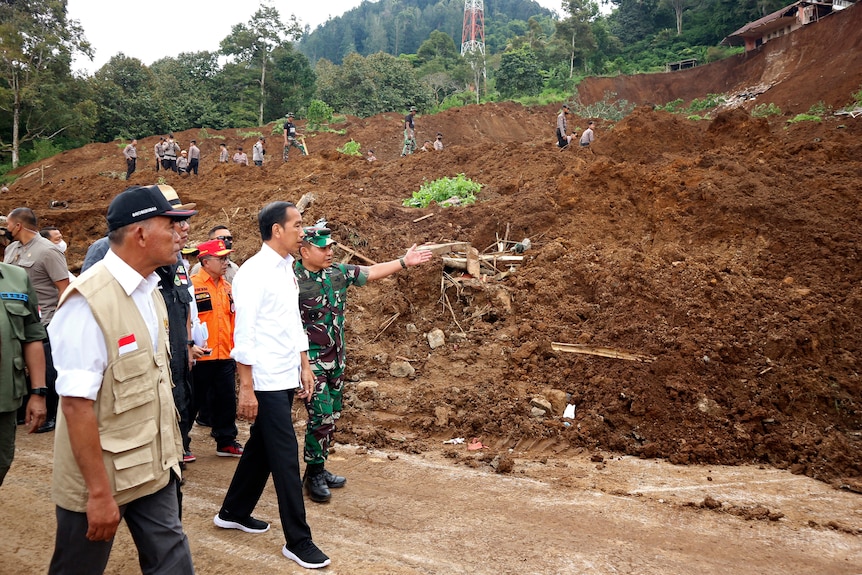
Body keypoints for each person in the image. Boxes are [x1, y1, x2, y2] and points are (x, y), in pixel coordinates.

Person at [46, 185, 196, 575]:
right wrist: (98, 494)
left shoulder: (152, 292)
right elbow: (77, 405)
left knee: (174, 562)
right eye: (172, 225)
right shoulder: (87, 303)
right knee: (78, 568)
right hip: (103, 476)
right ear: (140, 233)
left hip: (154, 465)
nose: (182, 234)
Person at [214, 201, 330, 570]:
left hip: (285, 373)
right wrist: (245, 387)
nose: (303, 230)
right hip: (263, 379)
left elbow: (291, 322)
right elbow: (243, 334)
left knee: (262, 447)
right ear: (276, 230)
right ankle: (298, 540)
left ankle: (232, 512)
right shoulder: (253, 273)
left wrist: (304, 364)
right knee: (283, 455)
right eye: (297, 224)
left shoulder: (286, 269)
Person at [295, 227, 433, 503]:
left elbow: (370, 272)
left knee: (332, 414)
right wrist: (298, 367)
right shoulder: (291, 279)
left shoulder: (337, 273)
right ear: (304, 251)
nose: (330, 252)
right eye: (323, 248)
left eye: (330, 247)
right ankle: (313, 476)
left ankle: (317, 468)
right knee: (320, 416)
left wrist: (405, 262)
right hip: (310, 362)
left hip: (336, 358)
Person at [4, 207, 70, 434]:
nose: (7, 229)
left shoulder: (48, 251)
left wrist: (60, 321)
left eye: (9, 225)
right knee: (20, 365)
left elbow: (64, 288)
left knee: (47, 368)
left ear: (18, 225)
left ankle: (51, 413)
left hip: (45, 319)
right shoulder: (12, 249)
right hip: (16, 318)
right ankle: (23, 409)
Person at [152, 186, 201, 466]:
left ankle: (179, 448)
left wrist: (189, 344)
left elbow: (184, 306)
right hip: (156, 355)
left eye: (185, 220)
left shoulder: (179, 262)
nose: (185, 227)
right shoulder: (137, 262)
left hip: (180, 350)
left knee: (183, 398)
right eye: (176, 221)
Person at [190, 238, 241, 457]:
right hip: (200, 357)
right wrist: (189, 346)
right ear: (205, 261)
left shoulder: (228, 288)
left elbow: (233, 320)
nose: (226, 263)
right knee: (193, 402)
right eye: (221, 259)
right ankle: (181, 444)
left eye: (227, 258)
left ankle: (226, 441)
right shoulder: (192, 286)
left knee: (227, 400)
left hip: (225, 355)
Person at [0, 259, 47, 486]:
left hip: (4, 399)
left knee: (2, 461)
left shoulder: (17, 278)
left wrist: (38, 393)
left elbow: (32, 335)